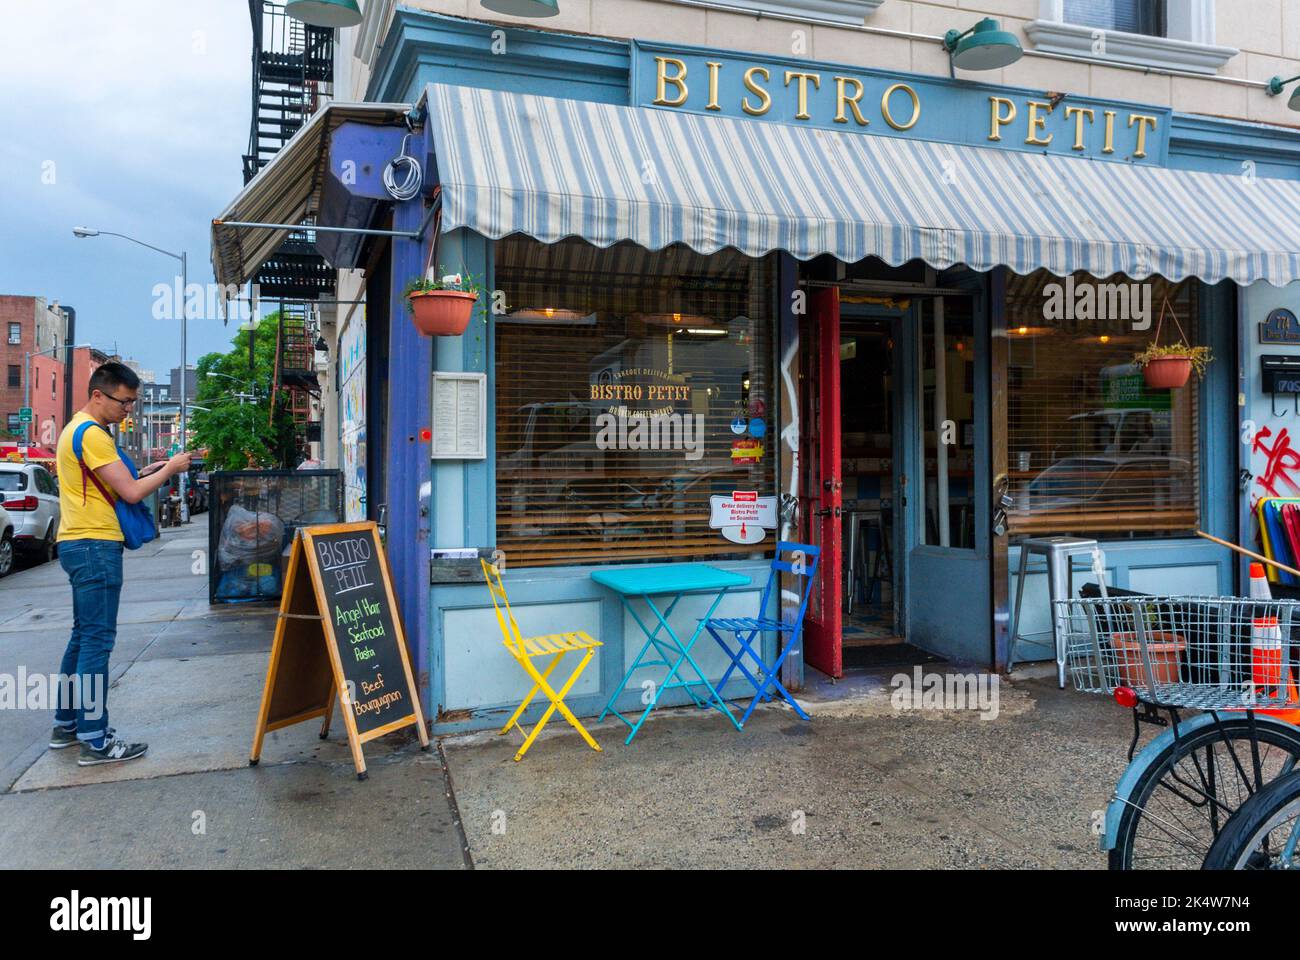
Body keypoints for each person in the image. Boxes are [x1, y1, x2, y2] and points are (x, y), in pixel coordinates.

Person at [50, 362, 192, 765]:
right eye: (124, 401)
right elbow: (130, 494)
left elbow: (113, 482)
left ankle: (67, 725)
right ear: (99, 395)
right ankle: (95, 739)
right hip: (96, 545)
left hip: (77, 543)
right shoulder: (92, 435)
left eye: (132, 403)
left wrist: (150, 469)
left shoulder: (75, 430)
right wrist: (169, 468)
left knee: (82, 637)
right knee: (97, 642)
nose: (128, 409)